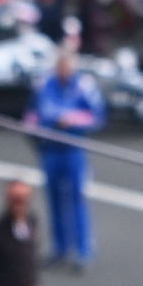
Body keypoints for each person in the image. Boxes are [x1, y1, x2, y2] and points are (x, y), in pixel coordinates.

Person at [25, 45, 108, 269]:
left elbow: (98, 116)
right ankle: (59, 248)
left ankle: (83, 250)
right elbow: (31, 114)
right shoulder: (44, 85)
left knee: (77, 199)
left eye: (67, 66)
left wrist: (74, 119)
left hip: (73, 150)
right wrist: (34, 132)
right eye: (60, 66)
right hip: (50, 150)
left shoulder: (83, 86)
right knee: (53, 200)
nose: (63, 70)